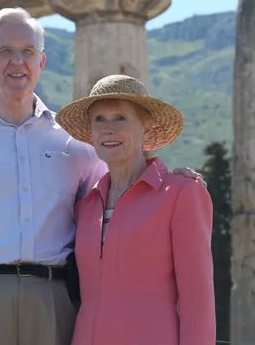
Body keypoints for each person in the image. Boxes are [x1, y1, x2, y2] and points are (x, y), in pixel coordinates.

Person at [0, 7, 206, 345]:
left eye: (28, 51)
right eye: (4, 51)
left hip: (53, 302)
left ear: (41, 63)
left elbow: (122, 195)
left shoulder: (76, 143)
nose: (17, 60)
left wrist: (169, 181)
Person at [55, 74, 216, 345]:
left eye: (121, 118)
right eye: (99, 119)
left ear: (146, 126)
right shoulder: (86, 205)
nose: (108, 128)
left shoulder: (182, 193)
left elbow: (197, 300)